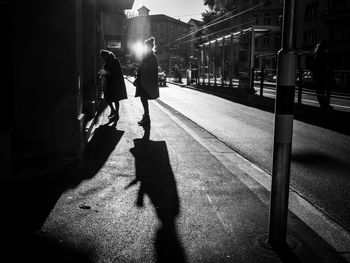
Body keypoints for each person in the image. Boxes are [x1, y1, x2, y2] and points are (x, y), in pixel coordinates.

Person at [134, 37, 159, 127]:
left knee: (144, 98)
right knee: (143, 99)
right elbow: (141, 68)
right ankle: (146, 117)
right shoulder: (147, 56)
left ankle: (146, 118)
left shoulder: (152, 57)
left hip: (146, 82)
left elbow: (152, 71)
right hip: (143, 81)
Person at [99, 49, 127, 122]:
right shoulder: (106, 63)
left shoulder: (115, 61)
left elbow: (116, 72)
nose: (102, 59)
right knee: (107, 98)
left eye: (102, 57)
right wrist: (103, 73)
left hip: (116, 83)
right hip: (109, 83)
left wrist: (107, 72)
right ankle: (113, 110)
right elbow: (107, 72)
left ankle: (116, 114)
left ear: (105, 56)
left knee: (116, 99)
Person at [311, 38, 334, 110]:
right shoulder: (323, 53)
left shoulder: (316, 53)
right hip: (322, 74)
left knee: (319, 91)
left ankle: (323, 104)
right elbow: (325, 65)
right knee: (323, 90)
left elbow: (313, 64)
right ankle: (325, 105)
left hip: (317, 74)